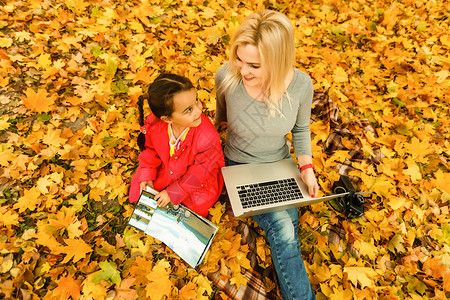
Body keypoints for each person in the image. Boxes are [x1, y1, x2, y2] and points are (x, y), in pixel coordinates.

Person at [215, 10, 319, 300]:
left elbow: (301, 129)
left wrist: (306, 168)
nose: (243, 70)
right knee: (285, 228)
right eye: (239, 59)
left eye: (255, 65)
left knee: (288, 227)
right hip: (240, 166)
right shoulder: (226, 77)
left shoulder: (301, 85)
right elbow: (219, 124)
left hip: (280, 165)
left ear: (278, 61)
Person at [129, 73, 225, 217]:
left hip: (197, 180)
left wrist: (174, 192)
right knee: (139, 191)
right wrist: (147, 174)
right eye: (188, 110)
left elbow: (200, 172)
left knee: (193, 208)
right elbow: (150, 150)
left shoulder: (207, 138)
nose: (199, 110)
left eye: (196, 101)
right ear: (167, 119)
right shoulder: (156, 124)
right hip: (167, 168)